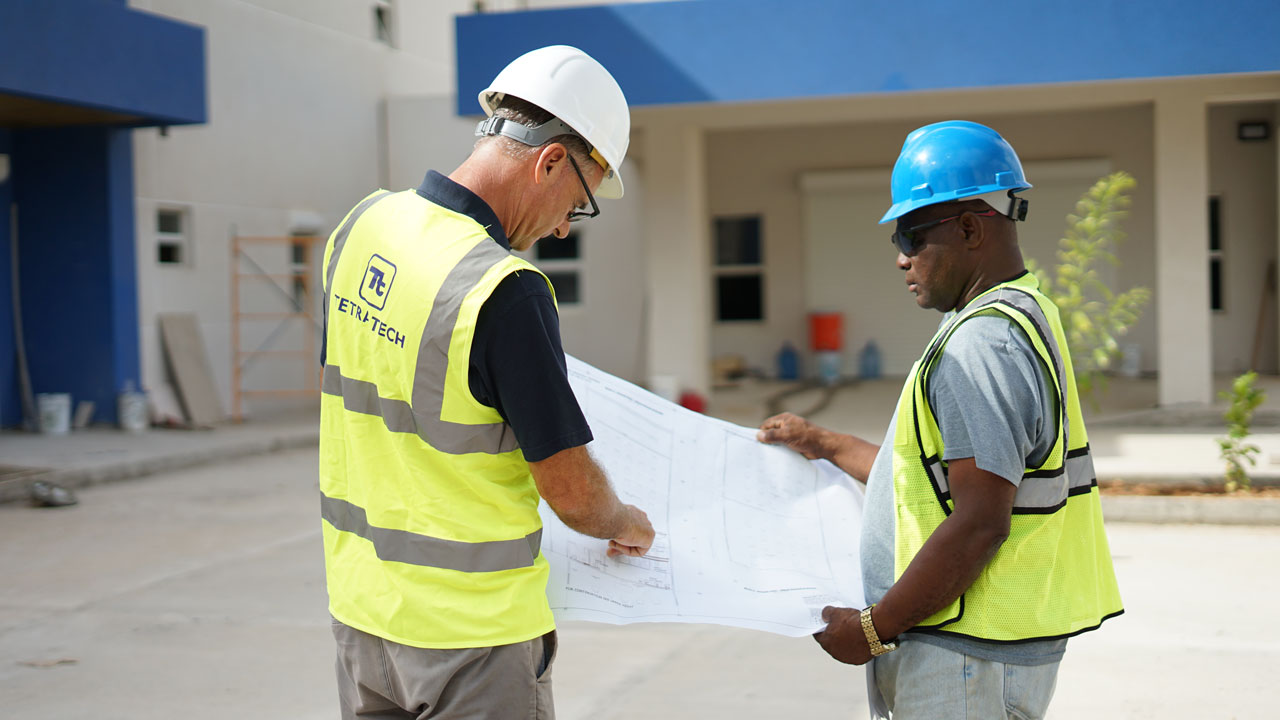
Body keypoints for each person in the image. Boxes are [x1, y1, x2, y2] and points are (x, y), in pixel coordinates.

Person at [318, 45, 654, 719]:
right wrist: (625, 521)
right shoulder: (503, 290)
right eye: (577, 204)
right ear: (550, 160)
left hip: (361, 618)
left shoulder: (362, 225)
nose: (562, 227)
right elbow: (574, 497)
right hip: (470, 640)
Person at [758, 121, 1123, 719]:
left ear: (971, 227)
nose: (902, 258)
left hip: (969, 658)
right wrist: (824, 442)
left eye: (910, 234)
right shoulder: (1026, 312)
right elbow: (941, 482)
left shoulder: (980, 344)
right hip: (985, 652)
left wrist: (873, 630)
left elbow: (980, 521)